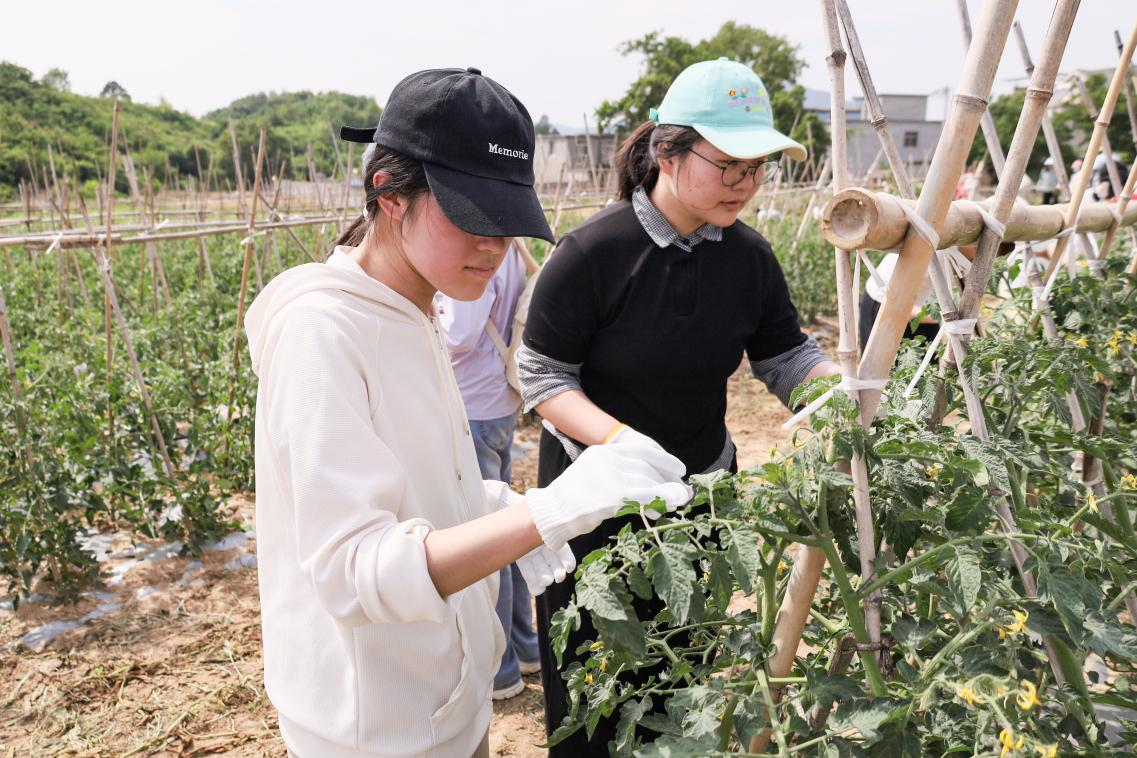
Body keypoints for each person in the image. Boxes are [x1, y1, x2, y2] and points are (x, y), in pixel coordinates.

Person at [244, 67, 692, 758]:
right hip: (376, 732)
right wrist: (543, 515)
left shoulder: (416, 308)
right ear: (389, 194)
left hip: (444, 704)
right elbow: (353, 571)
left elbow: (414, 486)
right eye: (471, 218)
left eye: (506, 222)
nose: (494, 246)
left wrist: (499, 510)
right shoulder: (323, 334)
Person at [517, 58, 839, 754]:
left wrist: (838, 393)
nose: (745, 184)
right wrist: (619, 446)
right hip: (594, 510)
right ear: (668, 153)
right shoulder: (593, 254)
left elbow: (782, 356)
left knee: (680, 678)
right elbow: (542, 376)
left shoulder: (749, 258)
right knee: (595, 687)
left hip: (698, 502)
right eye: (728, 166)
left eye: (756, 168)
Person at [434, 241, 540, 701]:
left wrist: (430, 309)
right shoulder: (510, 247)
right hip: (499, 399)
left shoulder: (476, 251)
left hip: (474, 403)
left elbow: (459, 334)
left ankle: (501, 669)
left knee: (485, 540)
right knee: (503, 526)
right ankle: (526, 646)